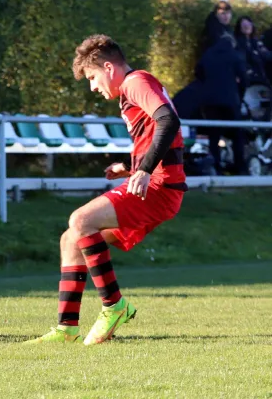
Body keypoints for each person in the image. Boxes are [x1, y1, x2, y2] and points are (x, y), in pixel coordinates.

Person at [25, 34, 187, 345]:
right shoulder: (133, 89)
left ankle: (115, 306)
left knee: (80, 220)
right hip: (154, 181)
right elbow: (162, 134)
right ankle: (67, 328)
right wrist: (132, 166)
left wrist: (143, 169)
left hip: (160, 188)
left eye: (92, 77)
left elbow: (168, 122)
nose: (93, 87)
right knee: (71, 238)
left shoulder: (135, 82)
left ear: (109, 68)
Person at [195, 33, 248, 175]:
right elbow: (244, 78)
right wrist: (240, 96)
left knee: (214, 135)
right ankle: (240, 168)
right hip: (230, 100)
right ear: (233, 43)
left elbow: (198, 72)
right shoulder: (235, 55)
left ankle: (215, 167)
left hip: (210, 101)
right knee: (237, 134)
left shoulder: (208, 54)